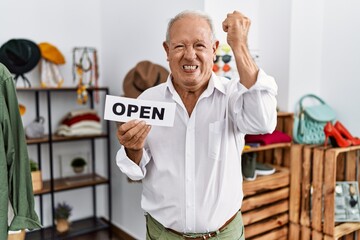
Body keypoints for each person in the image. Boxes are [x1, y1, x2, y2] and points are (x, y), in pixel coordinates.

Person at [116, 10, 277, 240]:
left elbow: (264, 121)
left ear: (214, 49)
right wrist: (133, 149)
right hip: (163, 234)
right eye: (180, 46)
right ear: (167, 51)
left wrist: (239, 45)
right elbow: (135, 170)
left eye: (200, 45)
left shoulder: (232, 95)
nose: (189, 55)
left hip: (225, 234)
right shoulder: (147, 101)